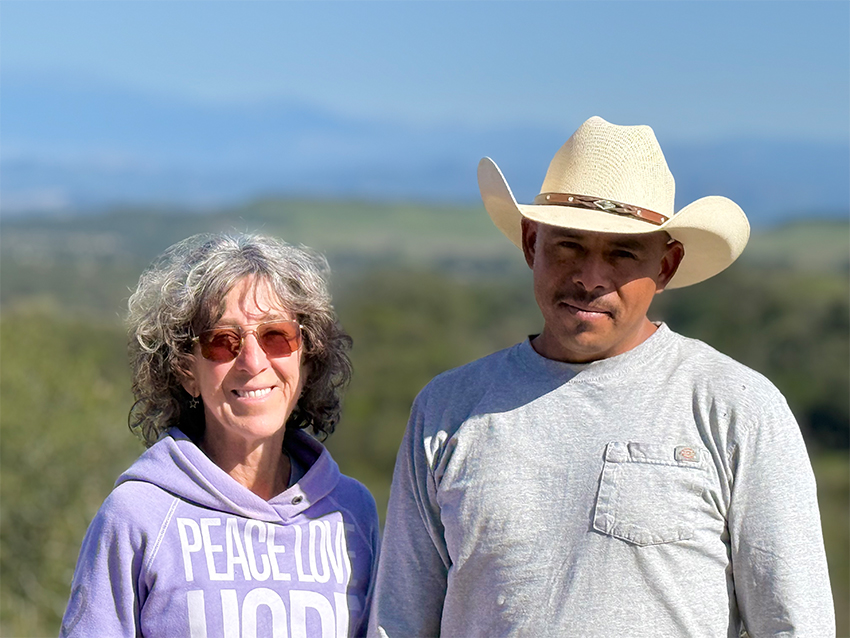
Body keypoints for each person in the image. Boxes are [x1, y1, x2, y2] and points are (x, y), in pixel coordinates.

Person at [368, 116, 834, 637]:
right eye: (568, 245)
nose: (590, 279)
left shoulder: (735, 407)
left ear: (667, 266)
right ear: (530, 243)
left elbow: (796, 623)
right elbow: (399, 621)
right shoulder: (449, 408)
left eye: (622, 253)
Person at [61, 233, 379, 638]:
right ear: (186, 372)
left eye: (276, 336)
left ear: (307, 359)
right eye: (222, 342)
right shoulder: (137, 516)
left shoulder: (352, 512)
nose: (253, 362)